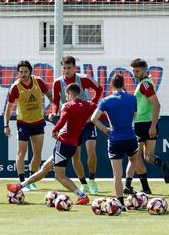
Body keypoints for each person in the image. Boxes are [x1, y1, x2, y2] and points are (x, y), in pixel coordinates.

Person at [8, 83, 94, 205]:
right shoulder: (88, 105)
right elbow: (101, 112)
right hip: (73, 144)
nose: (66, 98)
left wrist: (54, 130)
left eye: (66, 95)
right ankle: (19, 186)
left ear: (69, 94)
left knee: (59, 176)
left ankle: (82, 196)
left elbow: (62, 120)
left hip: (63, 143)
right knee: (45, 168)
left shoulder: (68, 106)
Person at [48, 56, 103, 195]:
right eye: (64, 68)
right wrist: (54, 112)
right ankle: (83, 183)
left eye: (69, 68)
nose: (66, 70)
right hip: (71, 125)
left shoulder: (83, 78)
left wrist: (94, 105)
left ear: (74, 68)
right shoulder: (57, 82)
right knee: (75, 156)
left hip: (87, 122)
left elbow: (99, 88)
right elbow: (55, 101)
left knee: (91, 151)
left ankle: (92, 179)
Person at [91, 74, 144, 211]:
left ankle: (120, 202)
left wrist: (106, 130)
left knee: (116, 174)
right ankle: (128, 182)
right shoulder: (132, 98)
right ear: (124, 84)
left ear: (111, 86)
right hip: (130, 137)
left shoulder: (106, 101)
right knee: (133, 160)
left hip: (115, 139)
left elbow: (93, 119)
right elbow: (135, 116)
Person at [124, 58, 169, 194]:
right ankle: (161, 163)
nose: (135, 73)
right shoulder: (147, 83)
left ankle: (144, 187)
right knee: (148, 156)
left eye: (137, 71)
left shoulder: (145, 85)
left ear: (144, 70)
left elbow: (157, 104)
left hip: (143, 123)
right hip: (149, 123)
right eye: (133, 71)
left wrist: (152, 125)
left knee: (135, 157)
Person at [4, 60, 52, 191]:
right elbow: (8, 109)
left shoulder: (38, 81)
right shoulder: (15, 87)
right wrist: (6, 125)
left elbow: (50, 95)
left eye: (25, 72)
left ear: (30, 71)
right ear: (18, 73)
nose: (23, 74)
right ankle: (22, 181)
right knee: (21, 152)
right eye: (21, 72)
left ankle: (31, 179)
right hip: (23, 123)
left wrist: (57, 107)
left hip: (38, 122)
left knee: (37, 153)